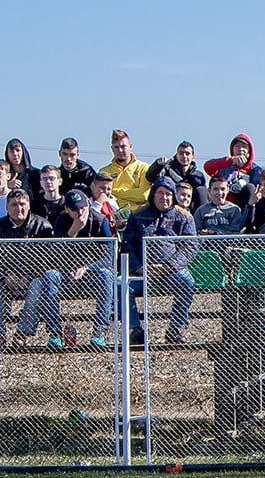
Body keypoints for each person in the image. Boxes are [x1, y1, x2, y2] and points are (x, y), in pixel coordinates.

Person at [123, 178, 197, 345]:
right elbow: (127, 245)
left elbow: (190, 246)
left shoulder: (184, 217)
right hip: (141, 273)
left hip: (171, 271)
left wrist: (168, 266)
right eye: (160, 193)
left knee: (187, 282)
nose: (164, 197)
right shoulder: (137, 215)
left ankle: (175, 328)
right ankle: (136, 329)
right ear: (153, 194)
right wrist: (139, 267)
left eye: (168, 194)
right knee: (121, 285)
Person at [0, 189, 58, 348]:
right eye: (14, 205)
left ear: (29, 205)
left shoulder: (42, 226)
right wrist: (5, 275)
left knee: (39, 284)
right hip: (6, 279)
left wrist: (29, 275)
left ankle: (22, 333)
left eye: (22, 204)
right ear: (6, 207)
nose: (18, 208)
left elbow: (50, 259)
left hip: (33, 278)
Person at [48, 188, 117, 348]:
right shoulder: (61, 221)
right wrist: (72, 232)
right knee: (50, 276)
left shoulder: (100, 221)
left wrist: (87, 268)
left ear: (88, 204)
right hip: (66, 271)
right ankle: (54, 333)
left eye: (82, 207)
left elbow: (110, 257)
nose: (80, 212)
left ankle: (99, 332)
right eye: (74, 209)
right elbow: (52, 255)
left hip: (92, 271)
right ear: (66, 209)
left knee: (106, 276)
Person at [101, 130, 157, 217]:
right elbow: (102, 196)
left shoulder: (144, 168)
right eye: (116, 147)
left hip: (138, 217)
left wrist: (113, 191)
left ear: (130, 146)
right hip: (112, 218)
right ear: (112, 149)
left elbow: (143, 196)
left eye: (123, 146)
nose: (120, 150)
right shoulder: (104, 171)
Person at [152, 141, 209, 208]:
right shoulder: (168, 170)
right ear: (176, 155)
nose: (184, 156)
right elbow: (151, 178)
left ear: (193, 156)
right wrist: (157, 166)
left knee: (201, 190)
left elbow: (205, 196)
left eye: (187, 154)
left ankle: (202, 216)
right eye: (181, 153)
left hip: (191, 208)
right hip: (170, 206)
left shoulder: (198, 176)